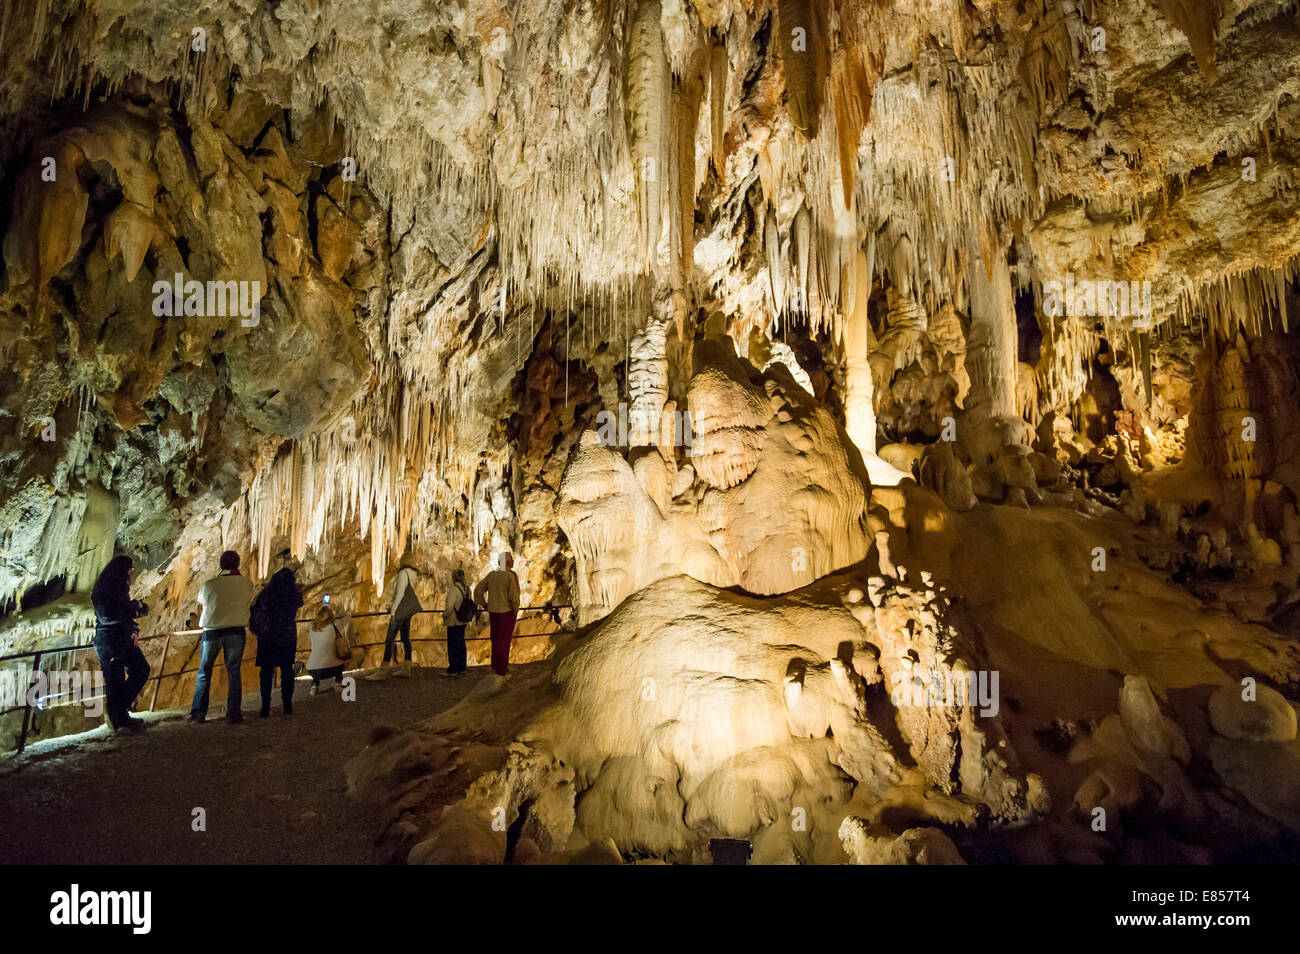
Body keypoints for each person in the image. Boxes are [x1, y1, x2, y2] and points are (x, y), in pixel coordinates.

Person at [190, 550, 255, 724]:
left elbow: (202, 601)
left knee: (205, 671)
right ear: (238, 563)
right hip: (236, 631)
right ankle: (233, 712)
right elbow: (249, 602)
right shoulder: (247, 584)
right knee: (233, 671)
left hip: (213, 630)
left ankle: (198, 713)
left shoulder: (210, 584)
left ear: (221, 564)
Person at [90, 555, 151, 733]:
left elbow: (123, 614)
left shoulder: (118, 589)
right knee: (115, 681)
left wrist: (134, 629)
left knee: (141, 669)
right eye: (129, 570)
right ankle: (118, 719)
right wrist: (133, 607)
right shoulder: (102, 590)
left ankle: (119, 712)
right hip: (110, 641)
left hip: (123, 638)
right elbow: (107, 616)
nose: (130, 574)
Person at [251, 560, 303, 718]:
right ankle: (287, 705)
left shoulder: (267, 593)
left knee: (266, 672)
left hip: (268, 636)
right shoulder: (293, 594)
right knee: (287, 671)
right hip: (287, 636)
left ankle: (265, 706)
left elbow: (254, 608)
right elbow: (299, 602)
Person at [474, 552, 520, 677]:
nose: (513, 562)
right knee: (504, 641)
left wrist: (485, 605)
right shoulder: (510, 576)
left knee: (495, 640)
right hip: (506, 612)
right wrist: (515, 609)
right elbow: (513, 596)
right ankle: (501, 670)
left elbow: (478, 590)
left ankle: (496, 666)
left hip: (493, 613)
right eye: (511, 560)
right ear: (508, 562)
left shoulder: (492, 575)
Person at [383, 562, 422, 666]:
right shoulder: (413, 574)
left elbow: (400, 594)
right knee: (405, 638)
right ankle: (407, 666)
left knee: (389, 639)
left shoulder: (403, 573)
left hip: (399, 611)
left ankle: (383, 668)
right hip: (407, 612)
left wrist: (393, 611)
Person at [306, 604, 347, 694]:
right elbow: (347, 618)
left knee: (319, 661)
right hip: (333, 668)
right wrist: (339, 609)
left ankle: (314, 686)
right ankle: (338, 684)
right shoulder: (334, 626)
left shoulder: (311, 627)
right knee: (341, 661)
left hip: (312, 669)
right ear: (331, 616)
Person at [442, 568, 473, 676]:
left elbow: (450, 606)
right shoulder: (467, 589)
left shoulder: (454, 590)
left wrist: (444, 615)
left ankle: (453, 669)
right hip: (463, 621)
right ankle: (462, 667)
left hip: (453, 621)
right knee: (461, 643)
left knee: (453, 644)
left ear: (454, 578)